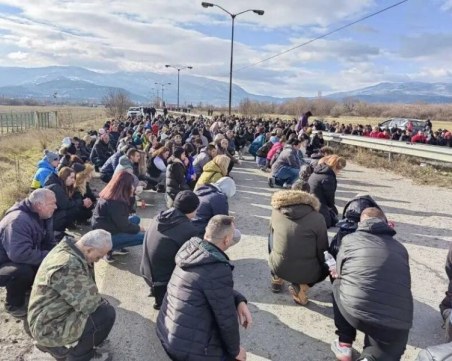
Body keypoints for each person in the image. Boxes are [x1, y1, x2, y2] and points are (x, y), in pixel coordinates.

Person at [156, 215, 251, 361]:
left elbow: (211, 287)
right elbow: (226, 320)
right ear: (227, 240)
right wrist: (236, 351)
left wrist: (239, 300)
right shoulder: (216, 268)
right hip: (185, 348)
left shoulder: (192, 250)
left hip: (167, 330)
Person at [331, 207, 413, 361]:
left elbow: (339, 271)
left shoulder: (349, 240)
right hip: (397, 320)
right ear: (386, 223)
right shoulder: (401, 248)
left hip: (356, 311)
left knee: (338, 283)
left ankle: (344, 343)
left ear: (361, 222)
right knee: (379, 355)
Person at [27, 230, 115, 361]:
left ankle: (59, 345)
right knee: (105, 314)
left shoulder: (72, 249)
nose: (99, 260)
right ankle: (76, 355)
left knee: (101, 306)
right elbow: (91, 305)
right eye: (99, 256)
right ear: (89, 250)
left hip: (49, 315)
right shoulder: (68, 265)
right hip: (47, 327)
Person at [0, 189, 57, 317]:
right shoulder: (18, 220)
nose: (55, 206)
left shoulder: (42, 216)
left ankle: (27, 288)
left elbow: (49, 240)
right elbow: (19, 254)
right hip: (4, 263)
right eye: (52, 203)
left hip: (14, 258)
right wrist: (48, 256)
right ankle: (13, 305)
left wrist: (57, 253)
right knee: (22, 271)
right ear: (39, 205)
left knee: (47, 261)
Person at [140, 191, 200, 310]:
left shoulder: (159, 216)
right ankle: (163, 303)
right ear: (192, 209)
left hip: (145, 271)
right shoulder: (189, 230)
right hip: (162, 283)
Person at [268, 190, 328, 304]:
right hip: (305, 273)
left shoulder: (276, 211)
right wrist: (324, 266)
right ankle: (301, 287)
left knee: (272, 234)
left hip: (278, 265)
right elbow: (323, 249)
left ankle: (276, 277)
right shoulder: (318, 218)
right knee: (327, 263)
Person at [91, 171, 145, 262]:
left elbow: (126, 214)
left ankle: (116, 247)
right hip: (104, 237)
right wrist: (139, 228)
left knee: (136, 219)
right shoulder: (115, 202)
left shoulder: (113, 194)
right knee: (144, 237)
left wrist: (131, 195)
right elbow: (124, 226)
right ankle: (109, 249)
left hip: (108, 228)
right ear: (125, 186)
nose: (133, 187)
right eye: (132, 184)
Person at [45, 166, 93, 232]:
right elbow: (66, 204)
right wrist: (82, 202)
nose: (73, 180)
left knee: (80, 209)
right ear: (65, 176)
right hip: (48, 219)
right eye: (71, 177)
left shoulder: (62, 185)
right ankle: (58, 231)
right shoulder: (56, 187)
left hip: (52, 215)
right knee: (73, 210)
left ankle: (61, 230)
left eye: (74, 178)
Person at [308, 154, 346, 228]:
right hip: (318, 202)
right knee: (328, 222)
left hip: (311, 200)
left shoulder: (317, 170)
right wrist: (331, 207)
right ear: (336, 168)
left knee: (333, 213)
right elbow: (329, 197)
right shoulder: (328, 177)